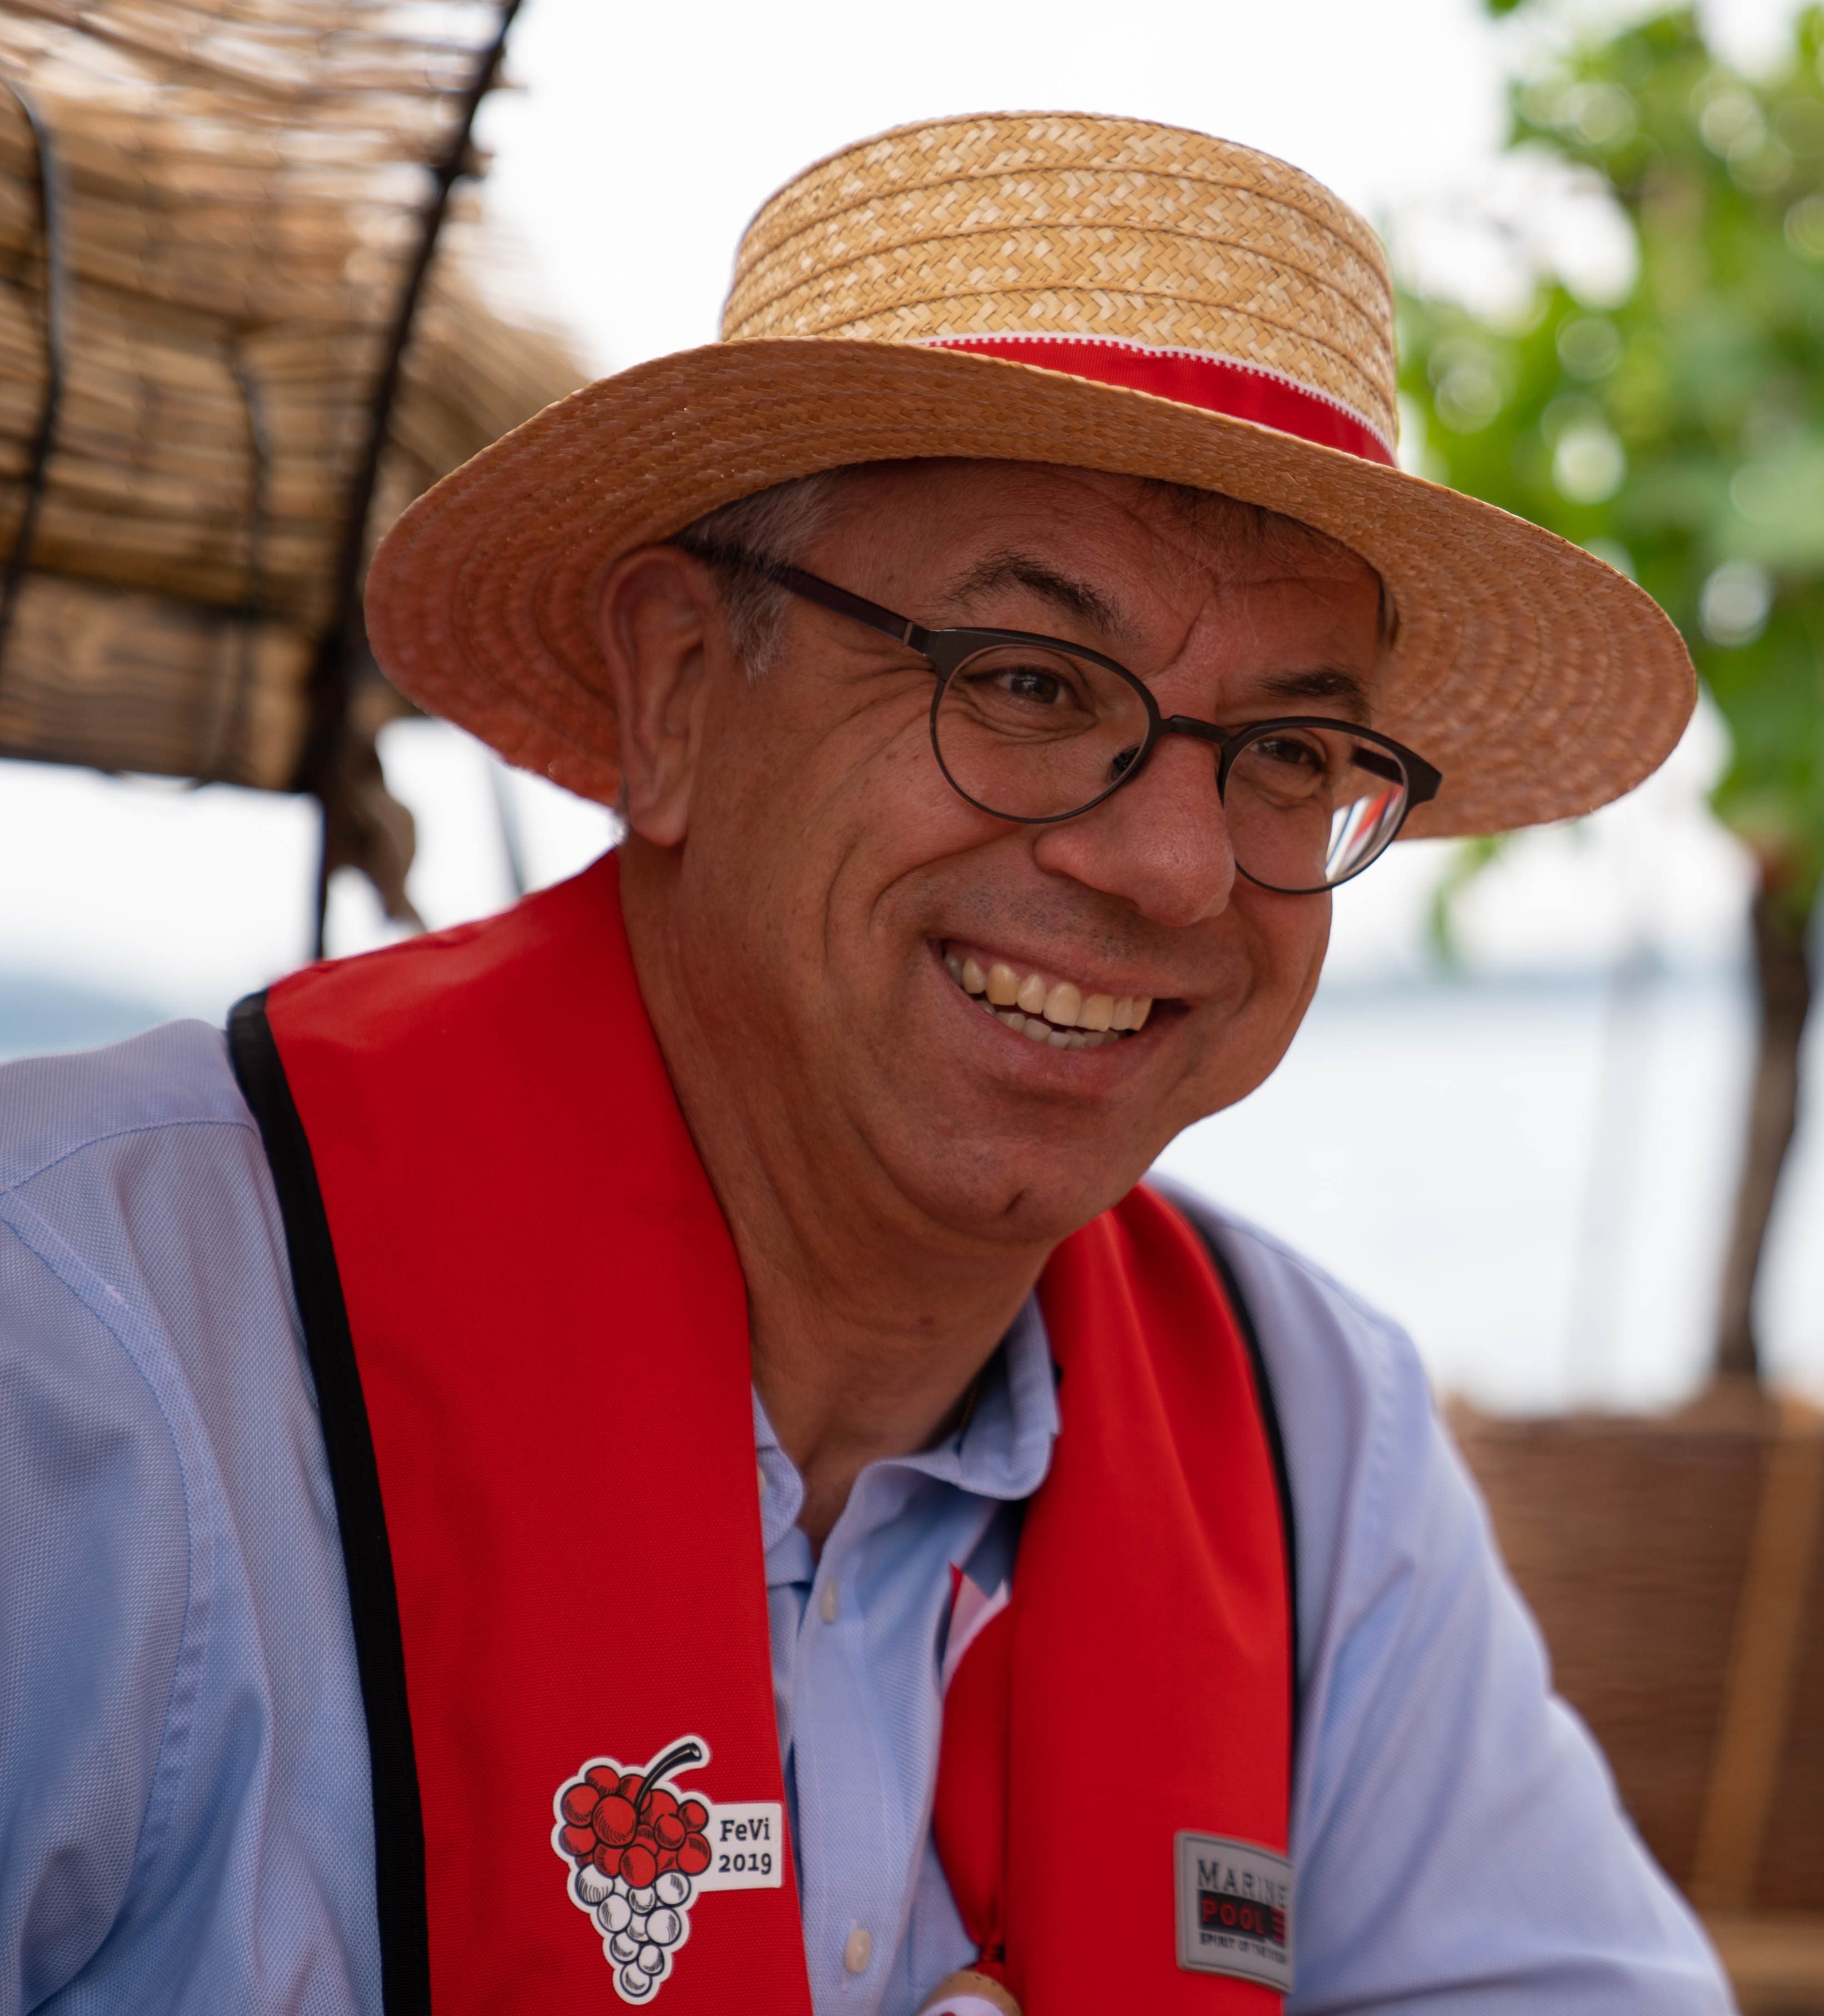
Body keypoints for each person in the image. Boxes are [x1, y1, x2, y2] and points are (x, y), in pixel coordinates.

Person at [0, 113, 1727, 2015]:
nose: (1169, 865)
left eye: (1292, 756)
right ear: (675, 691)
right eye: (1027, 683)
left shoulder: (1321, 1441)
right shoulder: (86, 1350)